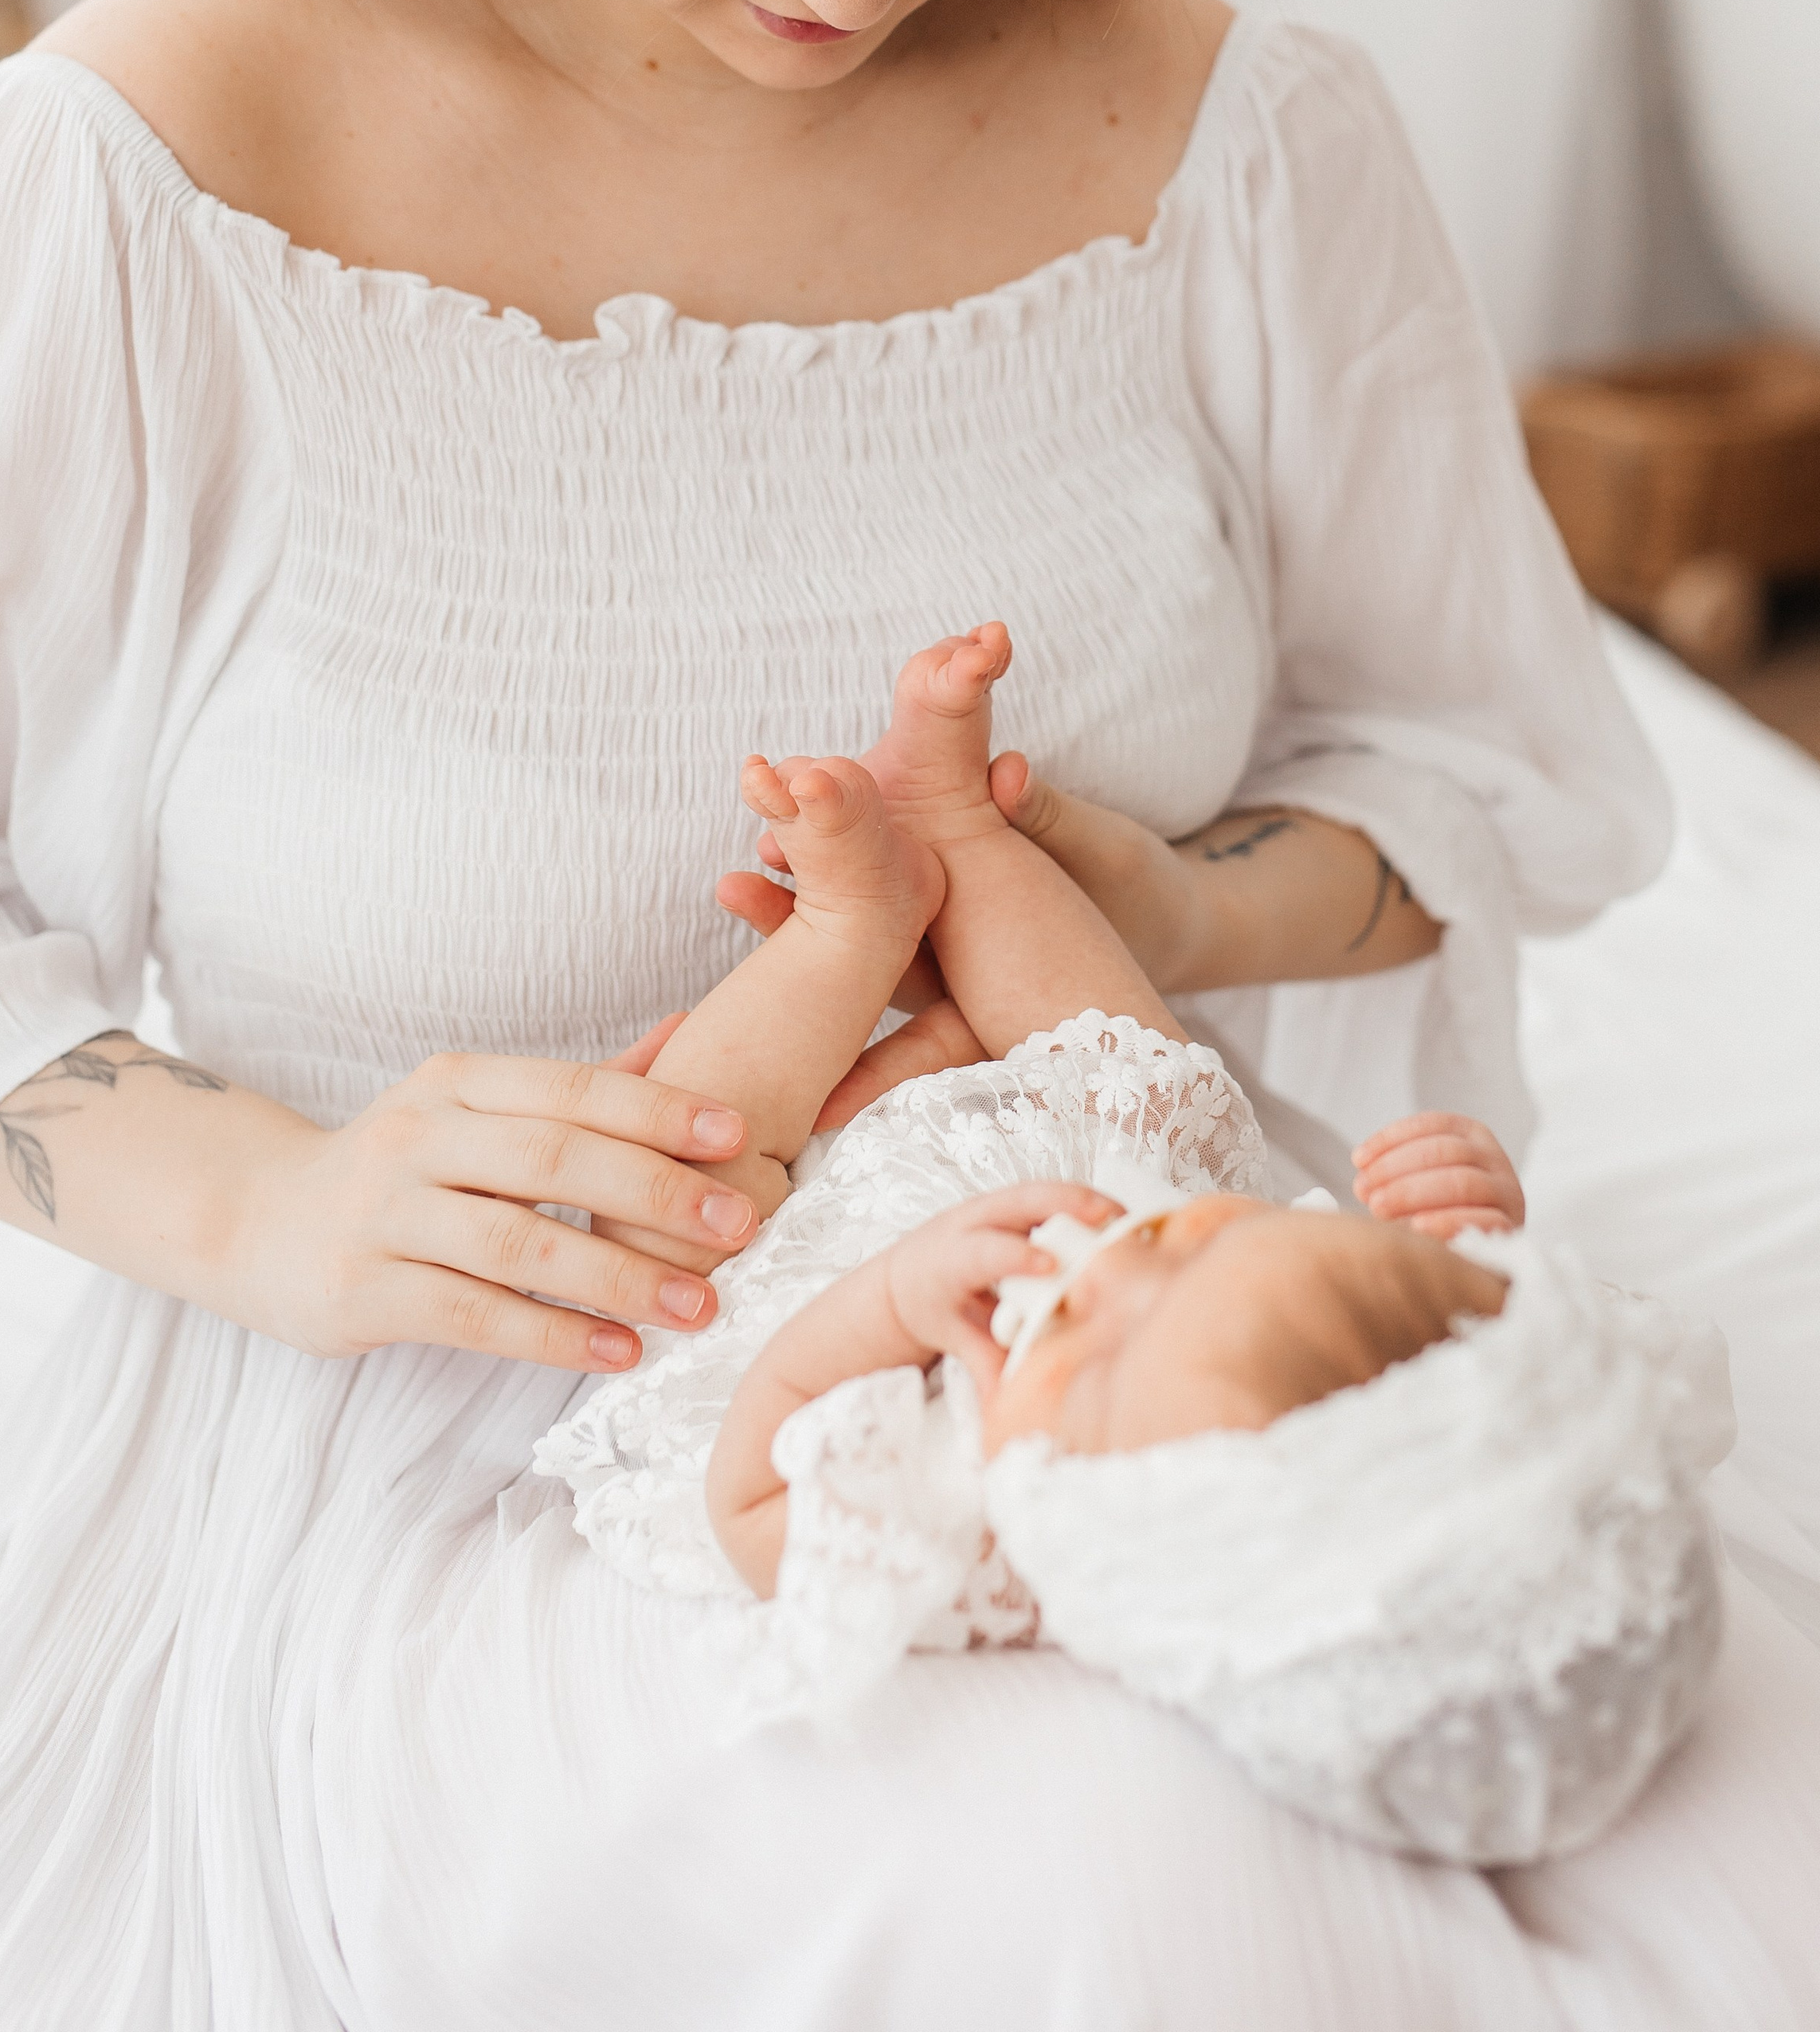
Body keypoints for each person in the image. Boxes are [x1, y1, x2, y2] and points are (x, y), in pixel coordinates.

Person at [0, 0, 1688, 2029]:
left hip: (1173, 1353)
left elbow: (1475, 778)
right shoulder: (132, 188)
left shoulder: (1242, 152)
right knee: (1127, 1902)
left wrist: (1161, 902)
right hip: (498, 1460)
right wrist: (272, 1213)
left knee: (1708, 1838)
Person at [538, 622, 1728, 1870]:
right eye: (1206, 1250)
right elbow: (1461, 1331)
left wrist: (892, 1298)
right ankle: (956, 826)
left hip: (797, 1285)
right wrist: (1466, 1225)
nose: (1103, 1268)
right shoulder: (1295, 1365)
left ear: (1126, 1543)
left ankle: (848, 927)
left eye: (1097, 1363)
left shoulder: (984, 1549)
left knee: (668, 1197)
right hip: (1050, 1150)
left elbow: (746, 1492)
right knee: (1140, 1066)